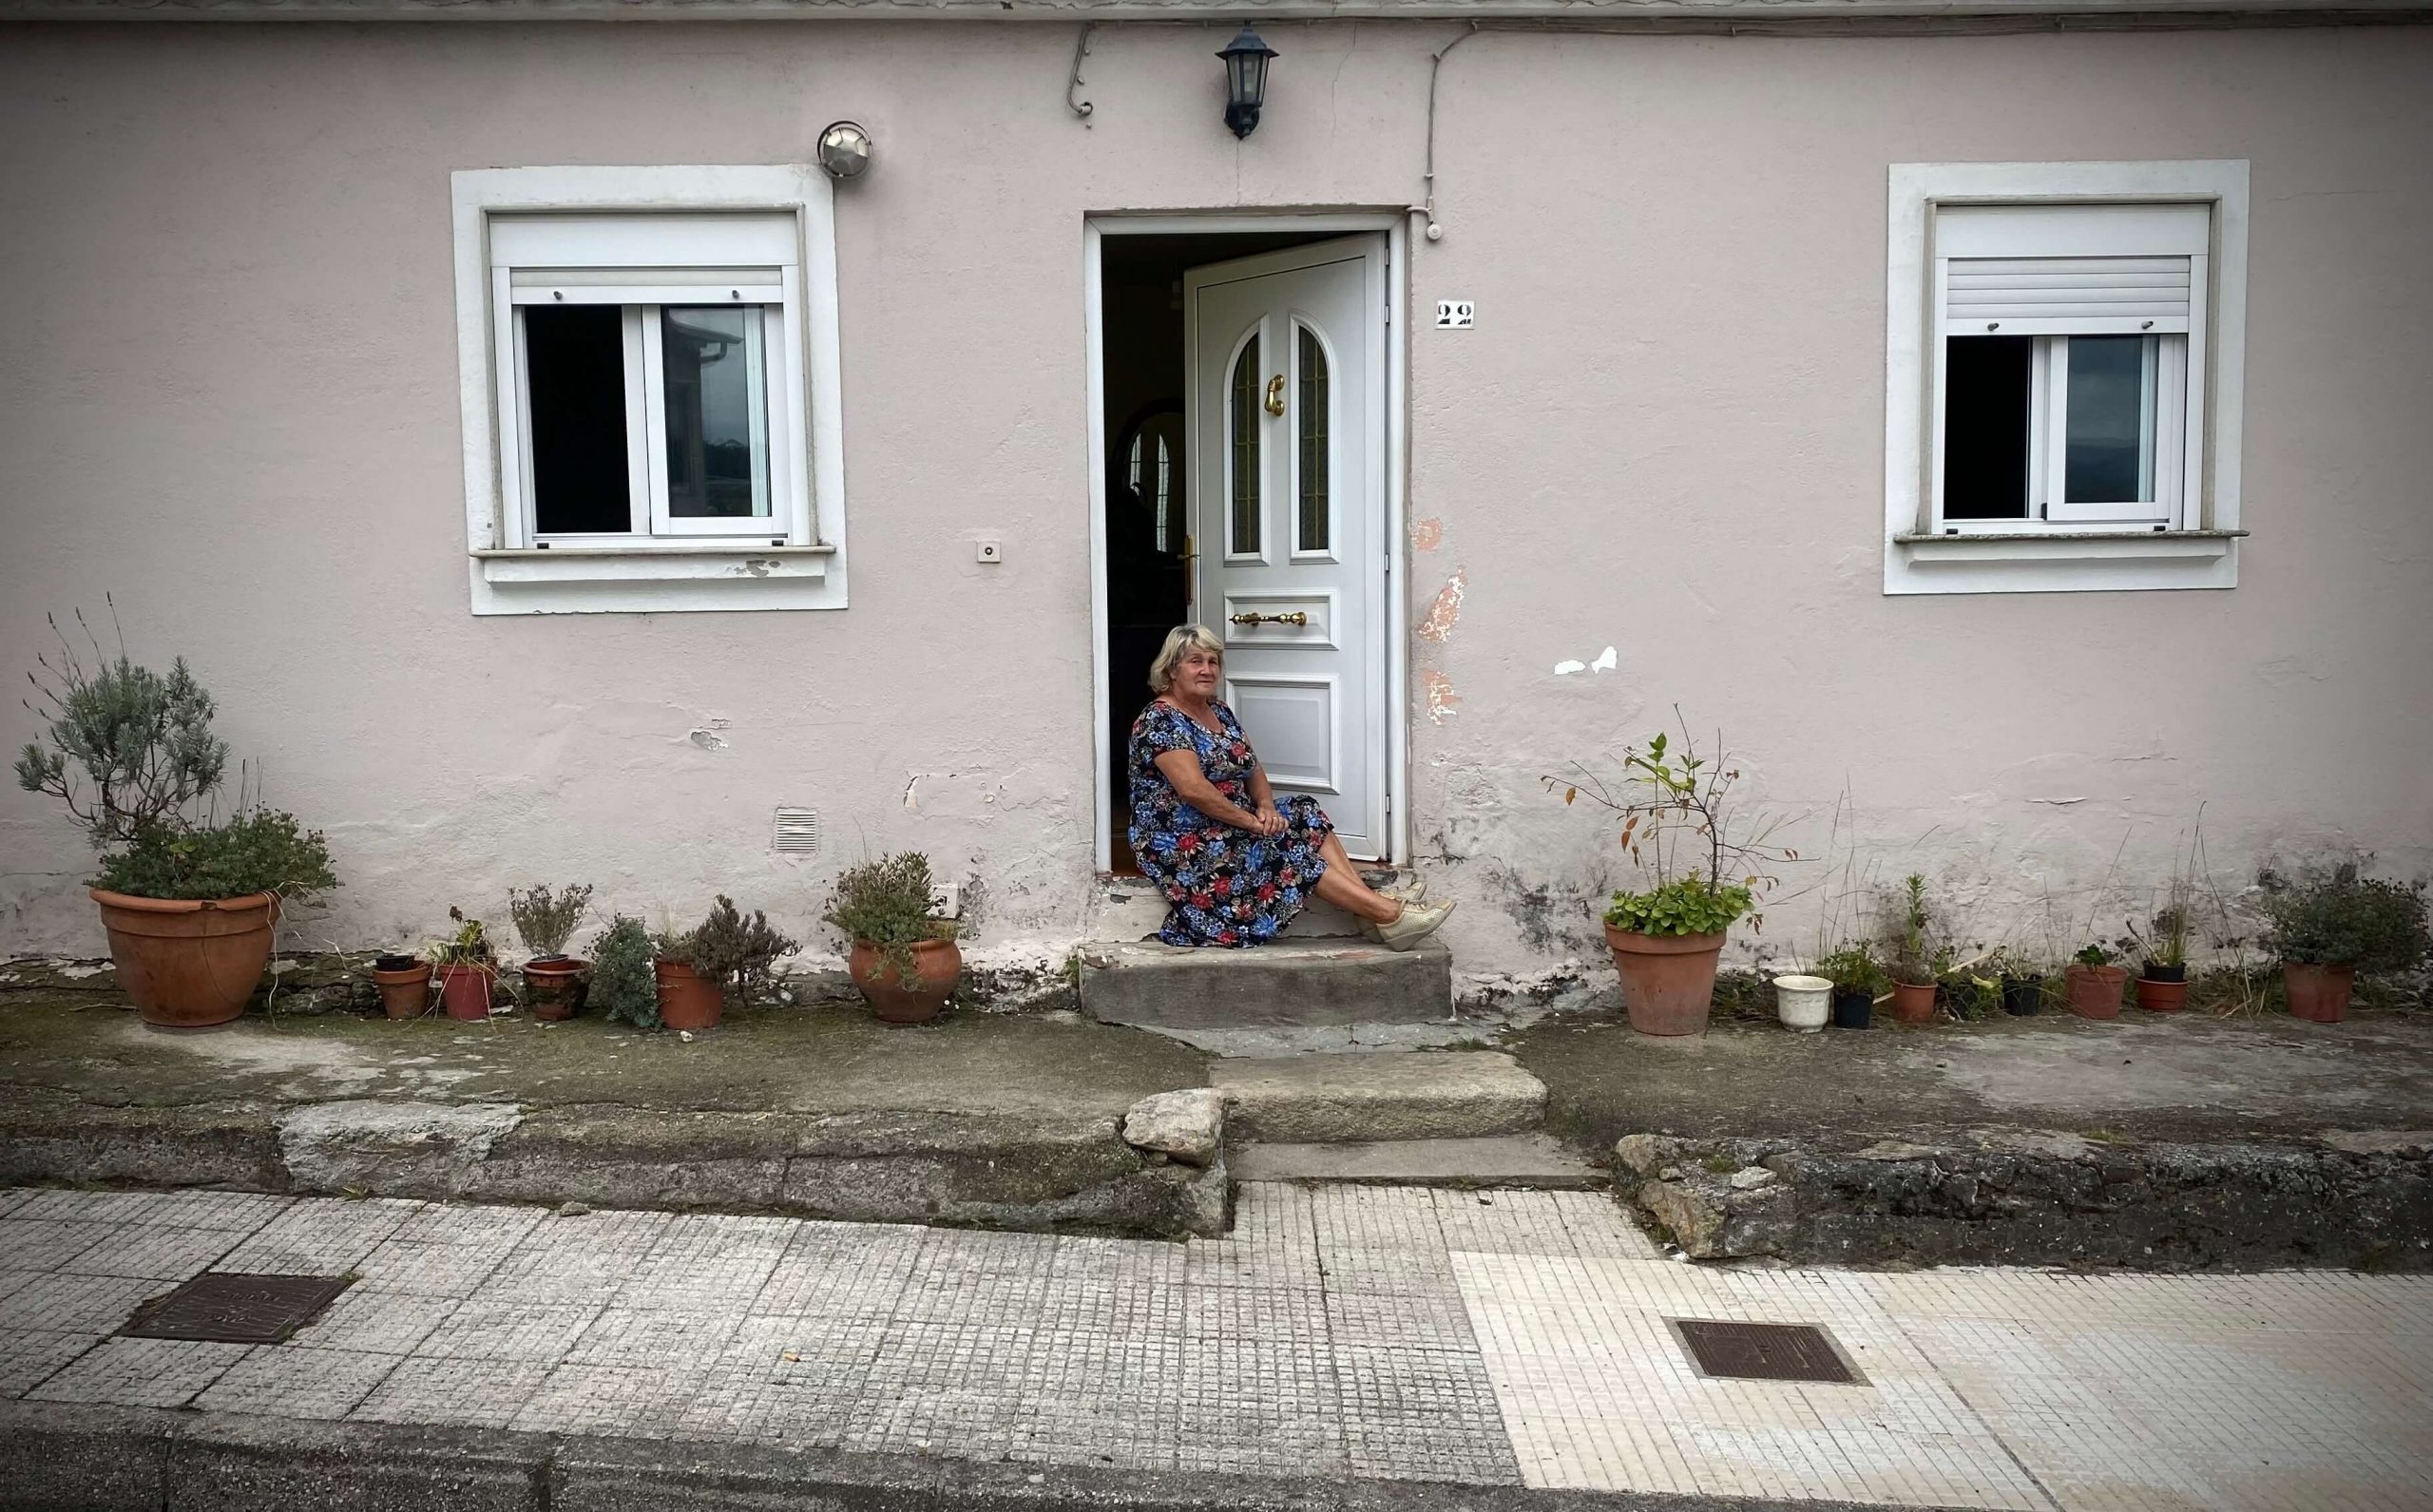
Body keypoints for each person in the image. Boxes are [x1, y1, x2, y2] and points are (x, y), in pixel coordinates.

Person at [1127, 624, 1452, 950]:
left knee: (1304, 811)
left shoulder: (1219, 711)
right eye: (1195, 662)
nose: (1207, 670)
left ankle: (1368, 912)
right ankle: (1389, 913)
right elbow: (1193, 790)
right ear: (1171, 669)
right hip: (1181, 840)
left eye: (1213, 662)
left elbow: (1252, 768)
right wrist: (1250, 822)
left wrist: (1265, 807)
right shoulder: (1161, 720)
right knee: (1283, 846)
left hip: (1227, 823)